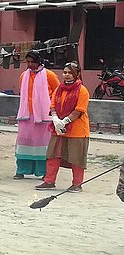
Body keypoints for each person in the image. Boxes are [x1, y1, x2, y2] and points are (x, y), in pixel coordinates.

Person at [37, 62, 90, 192]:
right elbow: (53, 105)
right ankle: (49, 181)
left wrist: (65, 121)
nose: (66, 75)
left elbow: (79, 111)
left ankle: (77, 184)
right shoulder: (58, 89)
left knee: (76, 158)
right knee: (53, 155)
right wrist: (55, 119)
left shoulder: (82, 91)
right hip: (58, 128)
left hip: (77, 130)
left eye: (70, 72)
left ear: (77, 74)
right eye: (65, 72)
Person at [15, 51, 60, 179]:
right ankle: (22, 170)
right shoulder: (23, 76)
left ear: (39, 61)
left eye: (32, 62)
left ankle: (42, 171)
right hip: (26, 115)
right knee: (24, 142)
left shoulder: (49, 75)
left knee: (42, 144)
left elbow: (57, 93)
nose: (30, 64)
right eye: (28, 62)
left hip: (43, 116)